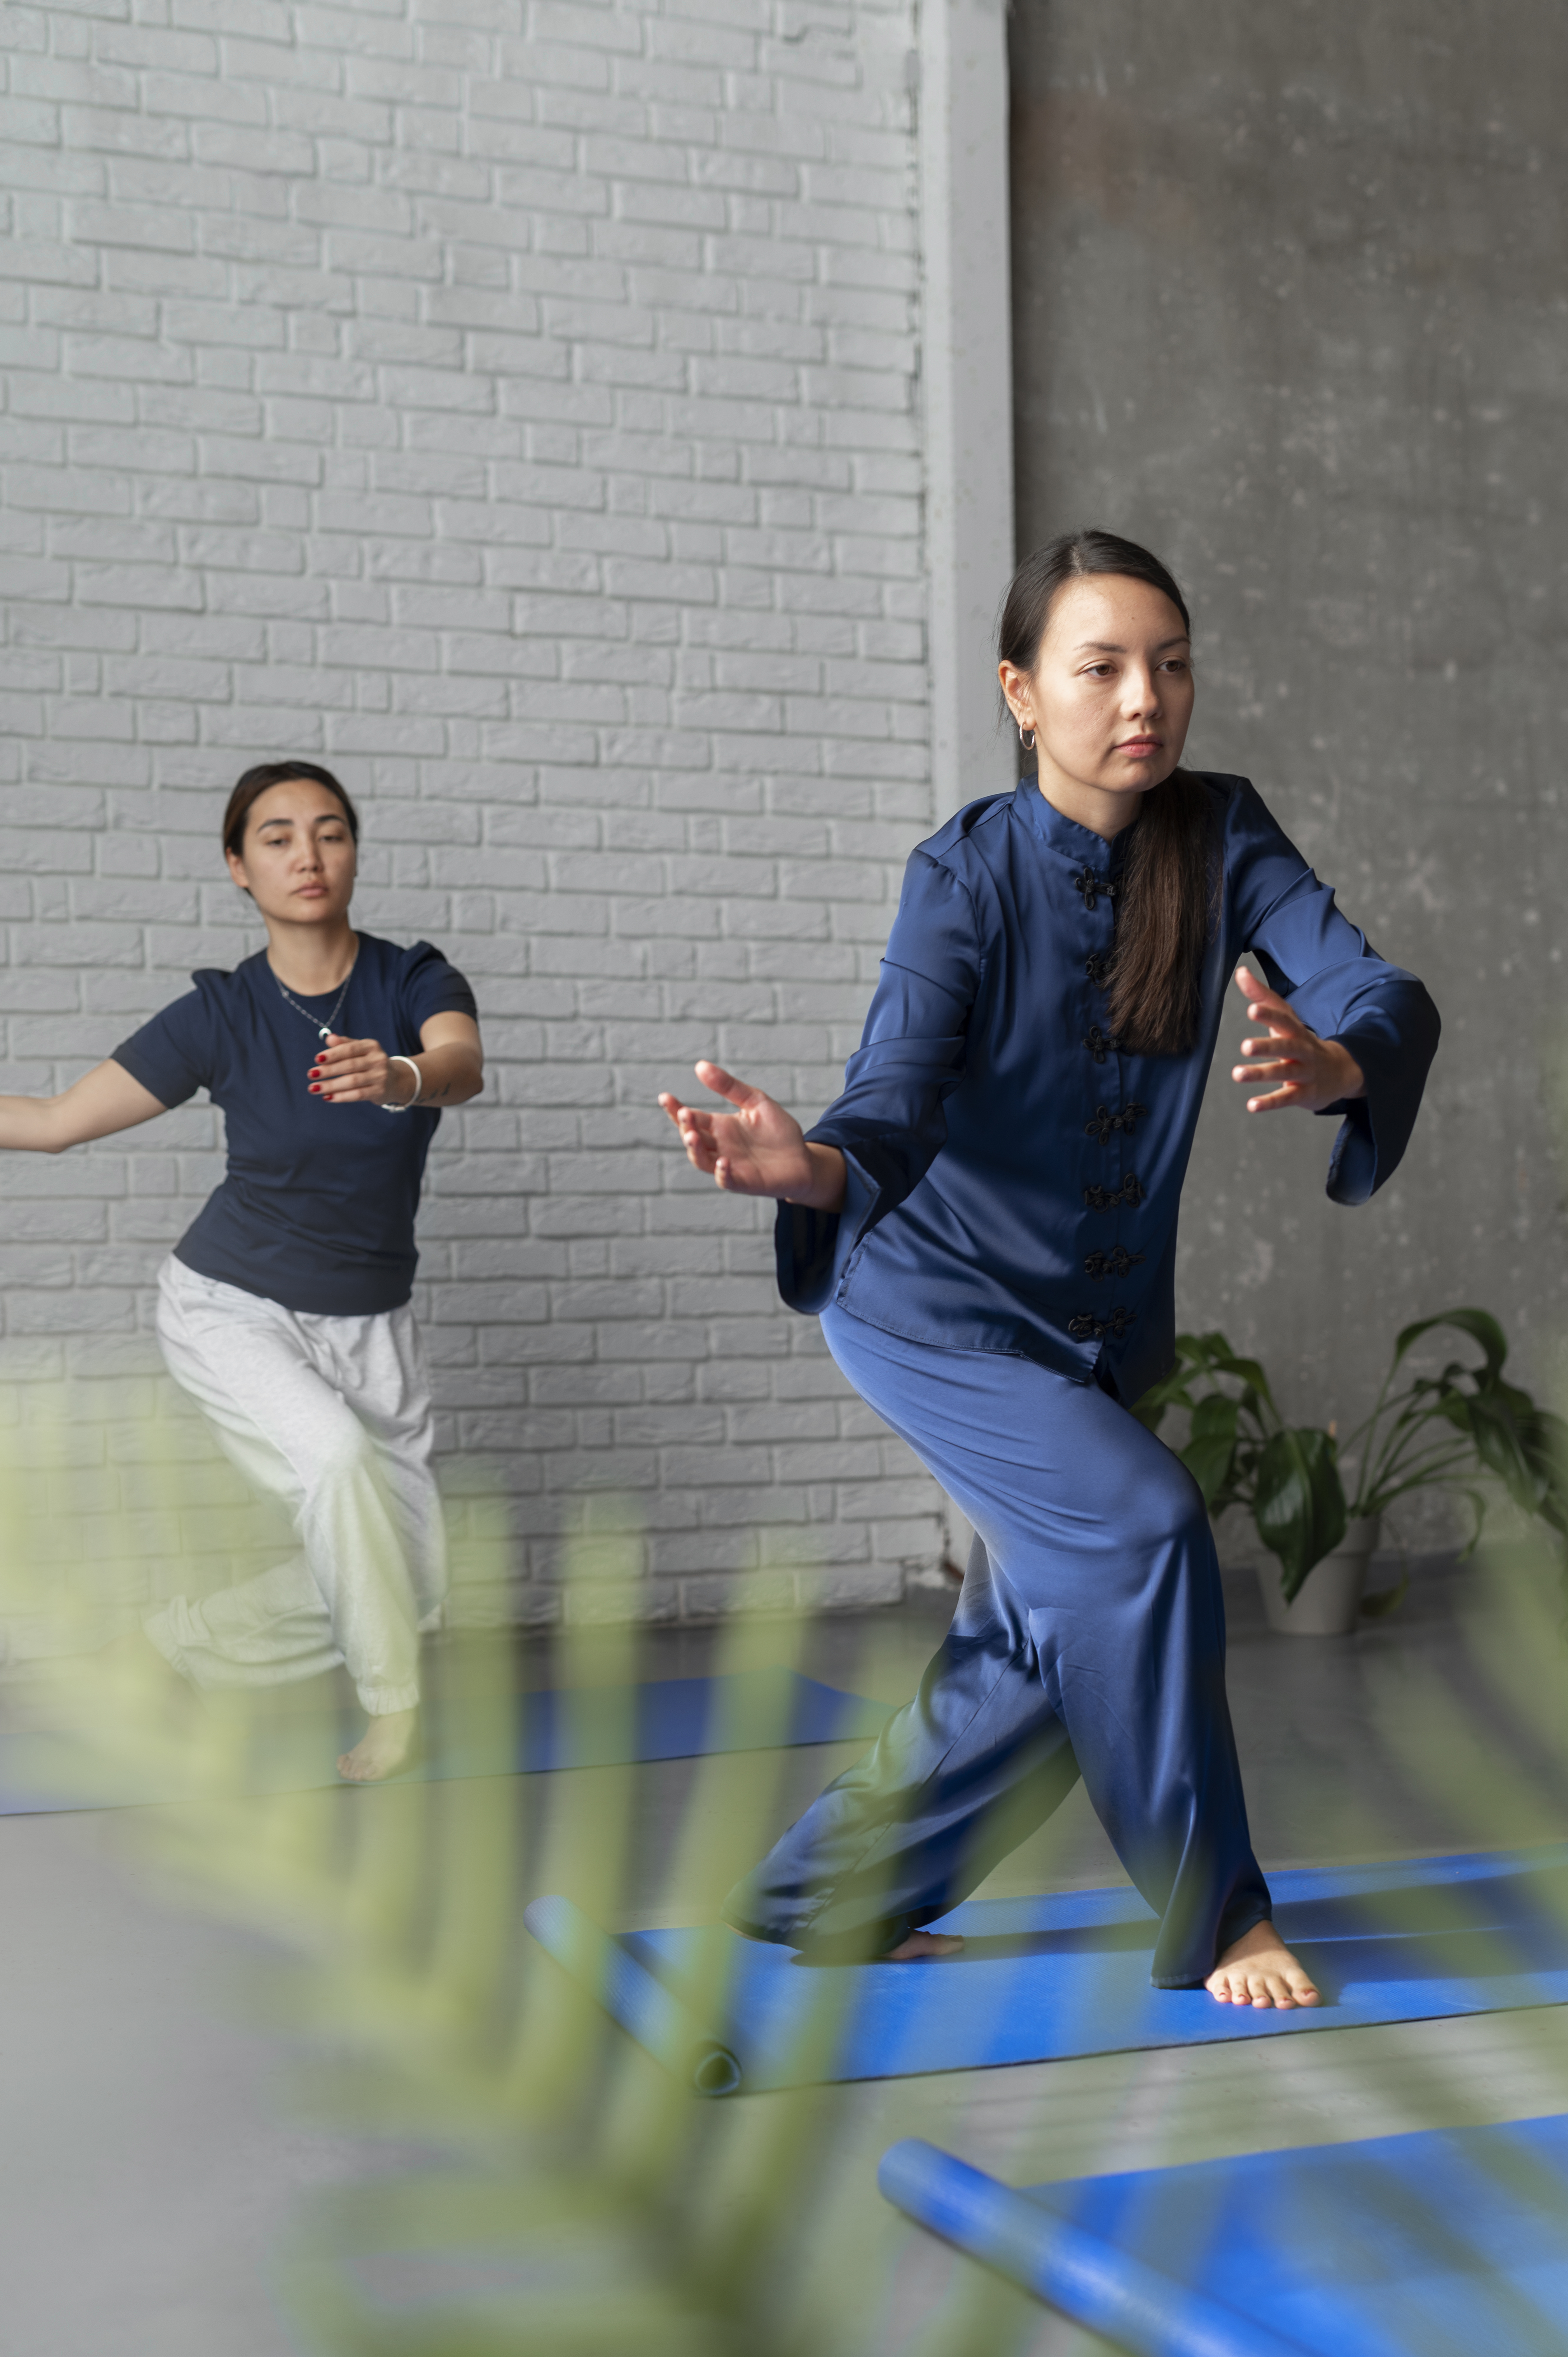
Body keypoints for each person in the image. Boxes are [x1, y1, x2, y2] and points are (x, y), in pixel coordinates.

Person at [660, 529, 1440, 2009]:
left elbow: (1372, 985)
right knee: (1143, 1529)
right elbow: (891, 1094)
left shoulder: (1222, 836)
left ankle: (819, 1902)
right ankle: (1218, 1918)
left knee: (1040, 1632)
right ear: (1022, 691)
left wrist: (1342, 1058)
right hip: (931, 1311)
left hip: (1091, 1331)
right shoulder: (960, 874)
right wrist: (807, 1167)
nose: (1143, 696)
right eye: (1100, 667)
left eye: (1170, 662)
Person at [0, 762, 483, 1782]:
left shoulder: (413, 979)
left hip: (371, 1322)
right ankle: (392, 1710)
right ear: (238, 867)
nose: (306, 855)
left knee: (412, 1575)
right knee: (336, 1467)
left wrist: (399, 1075)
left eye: (329, 832)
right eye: (275, 837)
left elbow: (459, 1066)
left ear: (353, 850)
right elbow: (48, 1127)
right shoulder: (219, 1015)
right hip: (233, 1304)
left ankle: (167, 1647)